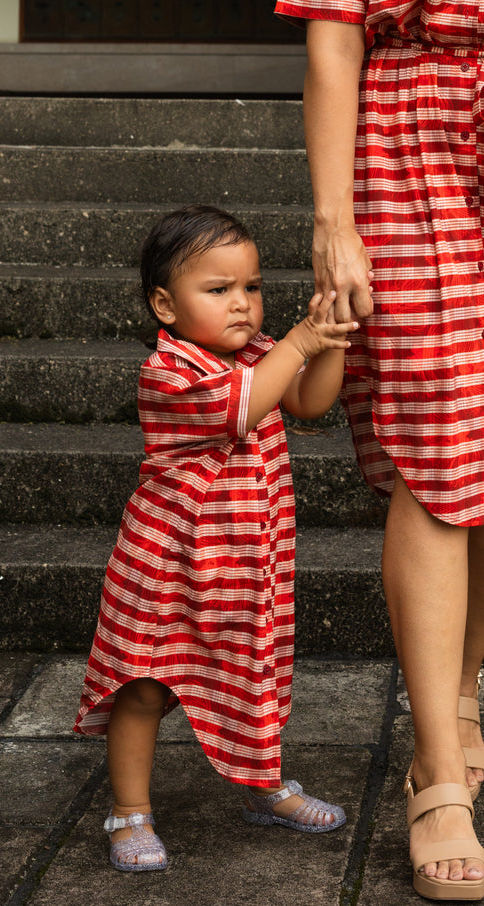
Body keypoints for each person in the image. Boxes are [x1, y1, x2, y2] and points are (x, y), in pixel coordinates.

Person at [273, 1, 484, 900]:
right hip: (411, 137)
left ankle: (465, 703)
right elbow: (332, 33)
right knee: (439, 433)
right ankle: (435, 765)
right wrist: (334, 221)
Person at [74, 204, 355, 872]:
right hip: (165, 570)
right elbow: (245, 406)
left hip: (243, 564)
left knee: (251, 676)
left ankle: (260, 785)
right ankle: (129, 812)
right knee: (142, 687)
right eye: (219, 289)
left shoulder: (259, 355)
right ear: (164, 305)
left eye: (252, 287)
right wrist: (301, 339)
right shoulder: (168, 373)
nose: (242, 304)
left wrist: (335, 334)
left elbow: (310, 404)